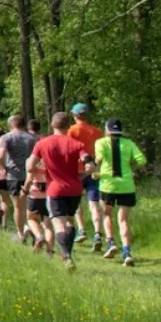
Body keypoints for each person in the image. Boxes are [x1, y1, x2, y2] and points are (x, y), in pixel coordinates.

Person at [36, 111, 93, 271]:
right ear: (68, 126)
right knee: (69, 221)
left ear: (52, 125)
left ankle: (66, 256)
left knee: (57, 222)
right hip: (75, 189)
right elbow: (90, 165)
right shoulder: (77, 144)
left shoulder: (42, 143)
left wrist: (42, 172)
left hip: (55, 189)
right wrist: (82, 174)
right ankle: (67, 254)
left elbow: (30, 165)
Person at [92, 117, 146, 266]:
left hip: (107, 184)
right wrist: (131, 168)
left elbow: (99, 158)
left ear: (107, 130)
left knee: (107, 214)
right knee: (123, 219)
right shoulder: (129, 144)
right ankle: (127, 252)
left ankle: (111, 243)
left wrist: (94, 169)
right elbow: (142, 160)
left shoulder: (101, 142)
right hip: (127, 185)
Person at [67, 103, 111, 252]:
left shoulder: (72, 130)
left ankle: (81, 230)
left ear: (75, 115)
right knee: (94, 204)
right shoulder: (97, 131)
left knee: (77, 202)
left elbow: (69, 149)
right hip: (94, 171)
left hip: (77, 171)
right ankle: (98, 233)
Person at [0, 115, 38, 241]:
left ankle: (21, 234)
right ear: (23, 125)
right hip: (29, 175)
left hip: (14, 175)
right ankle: (29, 226)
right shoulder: (31, 138)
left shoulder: (6, 137)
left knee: (18, 206)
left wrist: (6, 167)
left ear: (11, 125)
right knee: (29, 205)